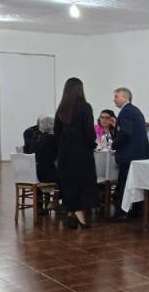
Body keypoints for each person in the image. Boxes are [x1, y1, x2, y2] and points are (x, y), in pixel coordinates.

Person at [53, 78, 97, 229]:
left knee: (69, 184)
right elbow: (89, 133)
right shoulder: (85, 107)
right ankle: (79, 217)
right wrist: (92, 145)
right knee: (83, 185)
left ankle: (72, 214)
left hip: (65, 154)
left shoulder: (61, 109)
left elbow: (57, 133)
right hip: (82, 153)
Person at [111, 87, 149, 221]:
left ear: (125, 97)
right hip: (139, 154)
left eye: (116, 96)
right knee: (136, 185)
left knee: (124, 184)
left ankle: (121, 213)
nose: (114, 100)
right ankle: (135, 211)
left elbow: (125, 133)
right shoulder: (135, 110)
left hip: (130, 155)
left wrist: (114, 144)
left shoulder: (126, 112)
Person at [22, 115, 58, 184]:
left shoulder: (35, 136)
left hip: (35, 173)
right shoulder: (52, 138)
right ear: (50, 125)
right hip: (47, 175)